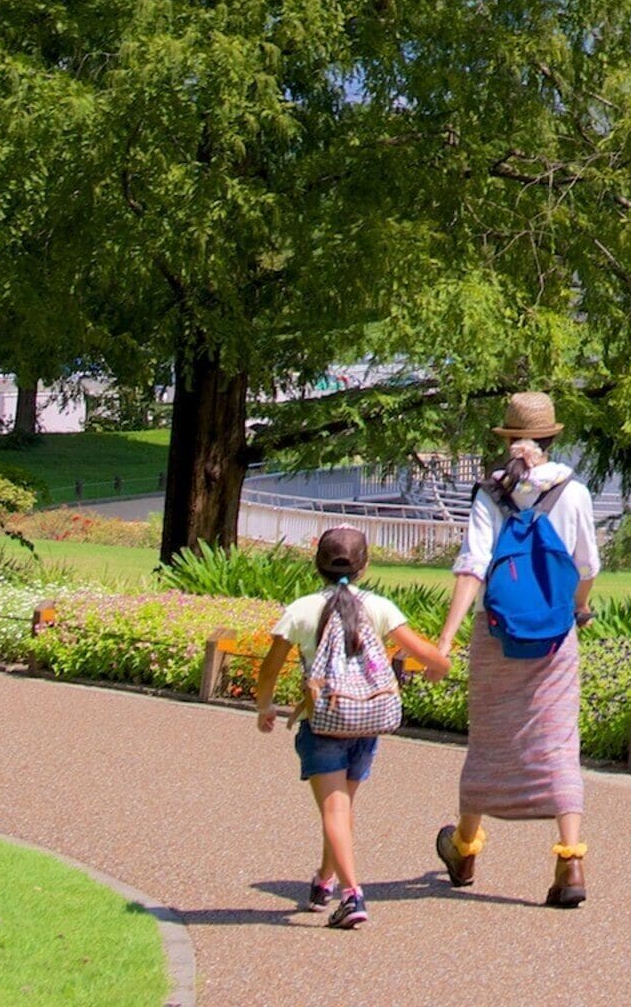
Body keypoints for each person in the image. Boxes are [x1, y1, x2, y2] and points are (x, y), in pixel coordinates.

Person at [429, 391, 603, 908]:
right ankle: (570, 859)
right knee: (557, 740)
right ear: (552, 438)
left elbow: (472, 565)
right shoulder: (574, 492)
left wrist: (445, 637)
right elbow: (587, 567)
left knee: (489, 737)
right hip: (554, 638)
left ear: (508, 440)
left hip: (496, 633)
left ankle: (464, 848)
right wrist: (576, 610)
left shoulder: (490, 493)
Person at [257, 526, 445, 929]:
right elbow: (425, 653)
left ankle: (351, 894)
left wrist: (263, 708)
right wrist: (440, 666)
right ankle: (324, 881)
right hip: (366, 721)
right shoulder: (379, 607)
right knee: (341, 809)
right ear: (365, 566)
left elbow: (269, 668)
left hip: (323, 720)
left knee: (334, 808)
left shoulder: (302, 609)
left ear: (316, 565)